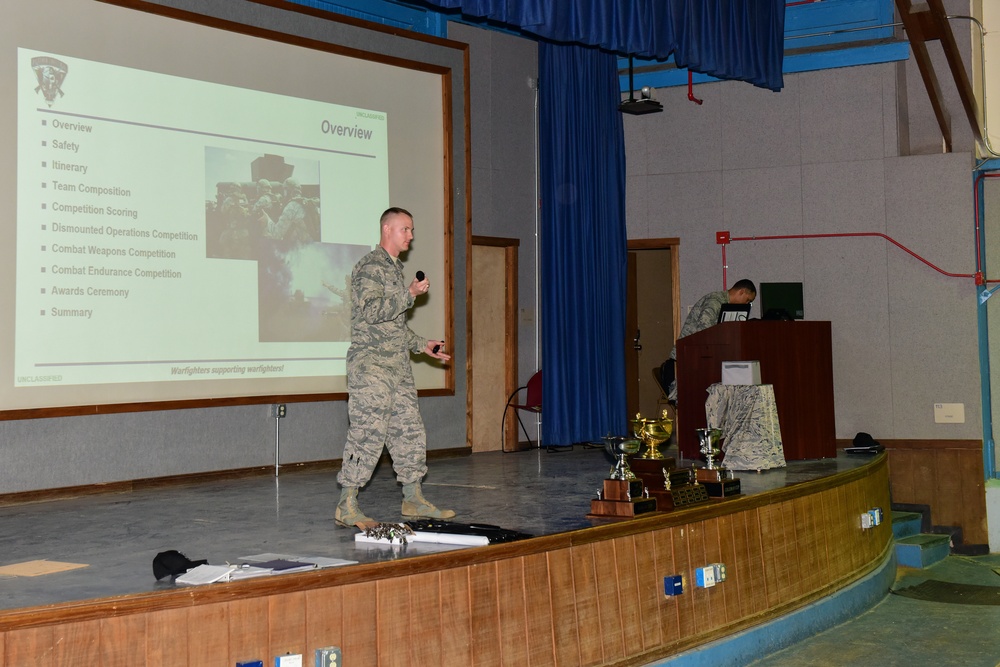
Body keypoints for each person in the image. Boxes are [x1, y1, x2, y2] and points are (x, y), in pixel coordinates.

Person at [335, 207, 453, 527]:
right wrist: (409, 294)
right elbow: (372, 312)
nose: (411, 236)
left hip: (397, 368)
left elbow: (393, 328)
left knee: (409, 432)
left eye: (412, 230)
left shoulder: (393, 269)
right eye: (405, 229)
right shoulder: (370, 267)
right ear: (387, 229)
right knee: (367, 434)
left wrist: (422, 345)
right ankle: (346, 504)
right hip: (371, 367)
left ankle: (413, 499)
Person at [666, 279, 756, 401]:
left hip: (695, 358)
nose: (746, 304)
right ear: (741, 292)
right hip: (685, 361)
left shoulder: (724, 304)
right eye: (748, 300)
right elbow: (704, 330)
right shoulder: (715, 301)